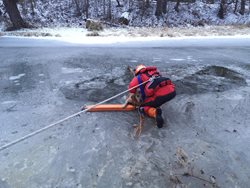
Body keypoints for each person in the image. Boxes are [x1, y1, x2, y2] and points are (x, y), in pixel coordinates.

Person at [124, 64, 176, 128]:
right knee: (155, 98)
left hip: (160, 96)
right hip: (172, 93)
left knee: (142, 107)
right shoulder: (155, 73)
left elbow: (131, 91)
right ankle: (156, 105)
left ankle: (155, 113)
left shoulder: (138, 77)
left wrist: (128, 101)